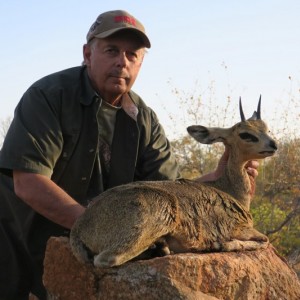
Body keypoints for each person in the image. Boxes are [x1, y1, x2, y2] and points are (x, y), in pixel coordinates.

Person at [0, 10, 258, 299]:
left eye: (132, 55)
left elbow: (170, 194)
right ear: (87, 54)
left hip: (98, 247)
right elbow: (28, 181)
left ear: (140, 63)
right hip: (19, 243)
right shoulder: (48, 96)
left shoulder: (143, 118)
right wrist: (99, 229)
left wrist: (219, 179)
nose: (122, 61)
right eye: (112, 50)